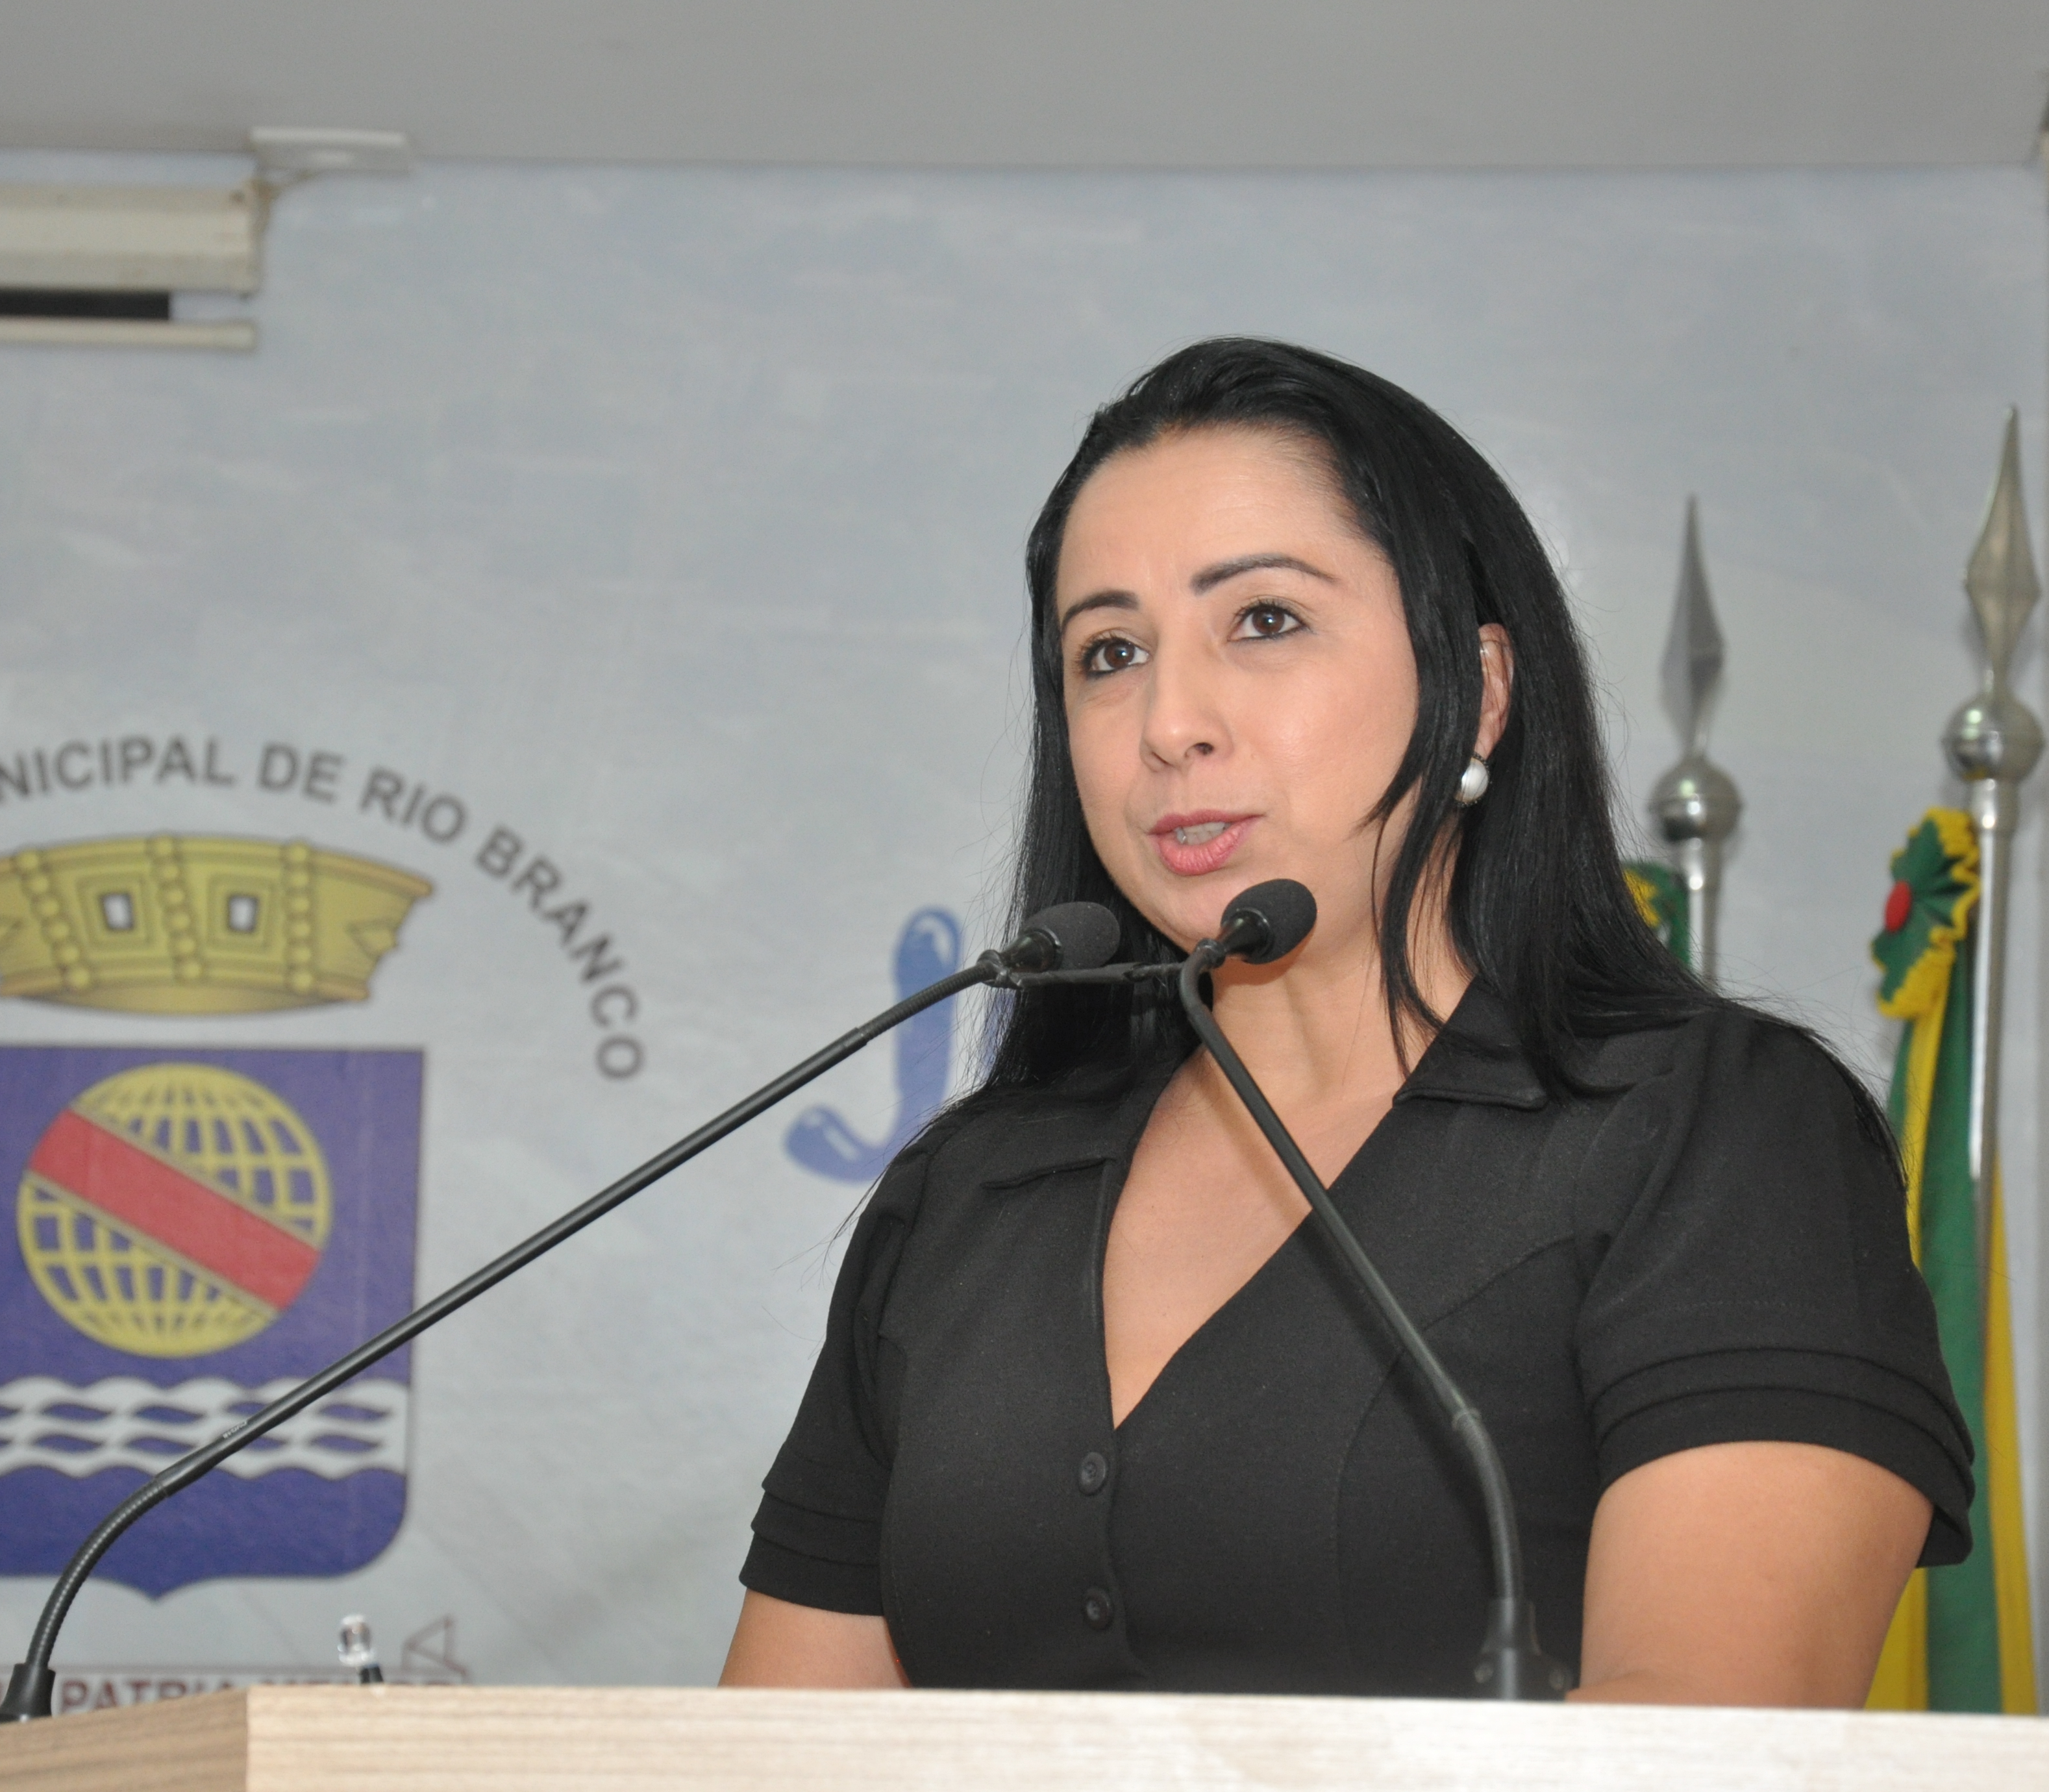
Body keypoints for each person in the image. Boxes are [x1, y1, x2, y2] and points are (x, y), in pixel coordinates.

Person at [719, 338, 1970, 1704]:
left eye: (1263, 620)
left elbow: (1701, 1768)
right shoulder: (968, 1197)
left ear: (1476, 690)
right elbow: (768, 1780)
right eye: (1109, 652)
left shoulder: (1713, 1135)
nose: (1168, 723)